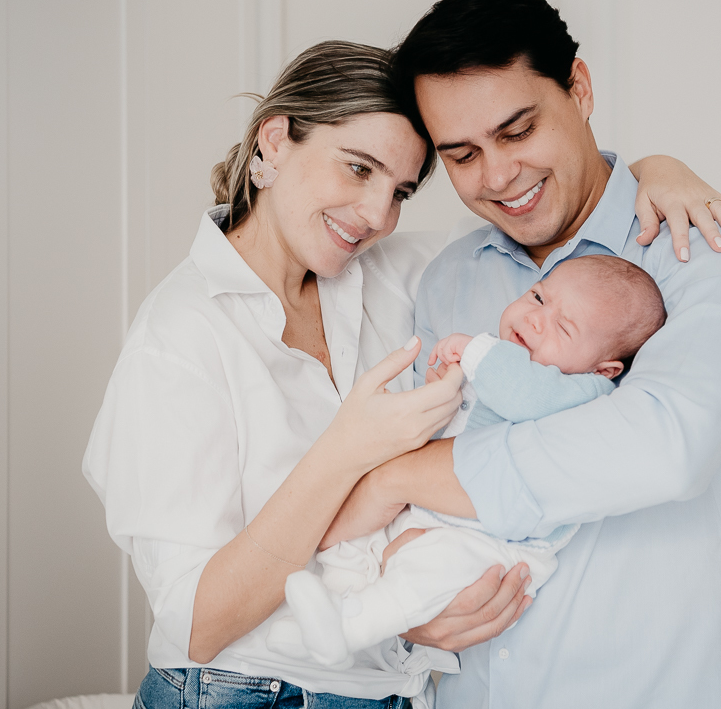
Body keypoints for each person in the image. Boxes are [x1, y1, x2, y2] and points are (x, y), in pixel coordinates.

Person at [81, 38, 721, 709]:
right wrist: (350, 457)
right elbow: (197, 623)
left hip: (389, 706)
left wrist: (655, 170)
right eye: (358, 168)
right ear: (275, 140)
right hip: (238, 707)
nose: (376, 215)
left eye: (401, 191)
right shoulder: (179, 336)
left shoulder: (394, 271)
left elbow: (560, 239)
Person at [328, 0, 721, 709]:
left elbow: (662, 446)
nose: (497, 176)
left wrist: (399, 479)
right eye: (462, 155)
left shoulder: (709, 251)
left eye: (517, 131)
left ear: (578, 88)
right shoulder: (449, 280)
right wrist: (410, 603)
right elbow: (421, 492)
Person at [268, 255, 666, 666]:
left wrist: (476, 350)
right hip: (433, 511)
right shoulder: (507, 363)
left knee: (429, 570)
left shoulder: (584, 392)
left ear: (603, 369)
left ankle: (351, 627)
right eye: (538, 297)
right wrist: (444, 393)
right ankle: (328, 609)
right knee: (360, 541)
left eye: (563, 327)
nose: (535, 319)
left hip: (492, 545)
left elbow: (523, 395)